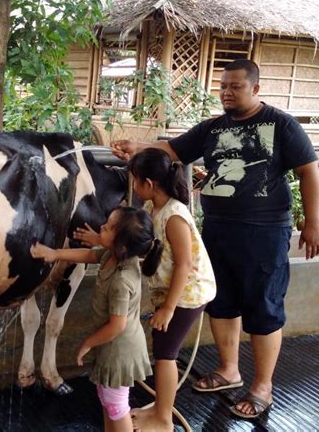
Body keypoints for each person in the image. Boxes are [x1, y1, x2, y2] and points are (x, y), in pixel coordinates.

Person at [110, 59, 319, 420]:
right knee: (220, 301)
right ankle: (229, 370)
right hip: (218, 228)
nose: (227, 92)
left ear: (255, 89)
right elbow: (173, 150)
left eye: (236, 86)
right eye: (223, 86)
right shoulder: (212, 128)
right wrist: (139, 145)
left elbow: (309, 171)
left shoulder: (281, 124)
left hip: (265, 231)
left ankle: (262, 386)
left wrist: (313, 222)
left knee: (264, 306)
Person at [75, 148, 216, 431]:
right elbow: (132, 241)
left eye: (135, 180)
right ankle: (160, 411)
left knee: (165, 355)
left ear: (148, 185)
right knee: (163, 351)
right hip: (171, 292)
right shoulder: (154, 209)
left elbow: (185, 265)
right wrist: (99, 240)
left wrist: (168, 308)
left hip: (187, 294)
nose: (134, 186)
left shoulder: (174, 216)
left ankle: (163, 418)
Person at [30, 207, 163, 432]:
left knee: (116, 405)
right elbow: (88, 254)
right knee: (108, 399)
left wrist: (87, 343)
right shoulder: (111, 255)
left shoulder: (122, 280)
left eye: (108, 227)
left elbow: (117, 325)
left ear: (121, 246)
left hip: (120, 351)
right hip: (112, 347)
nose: (102, 226)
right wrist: (55, 253)